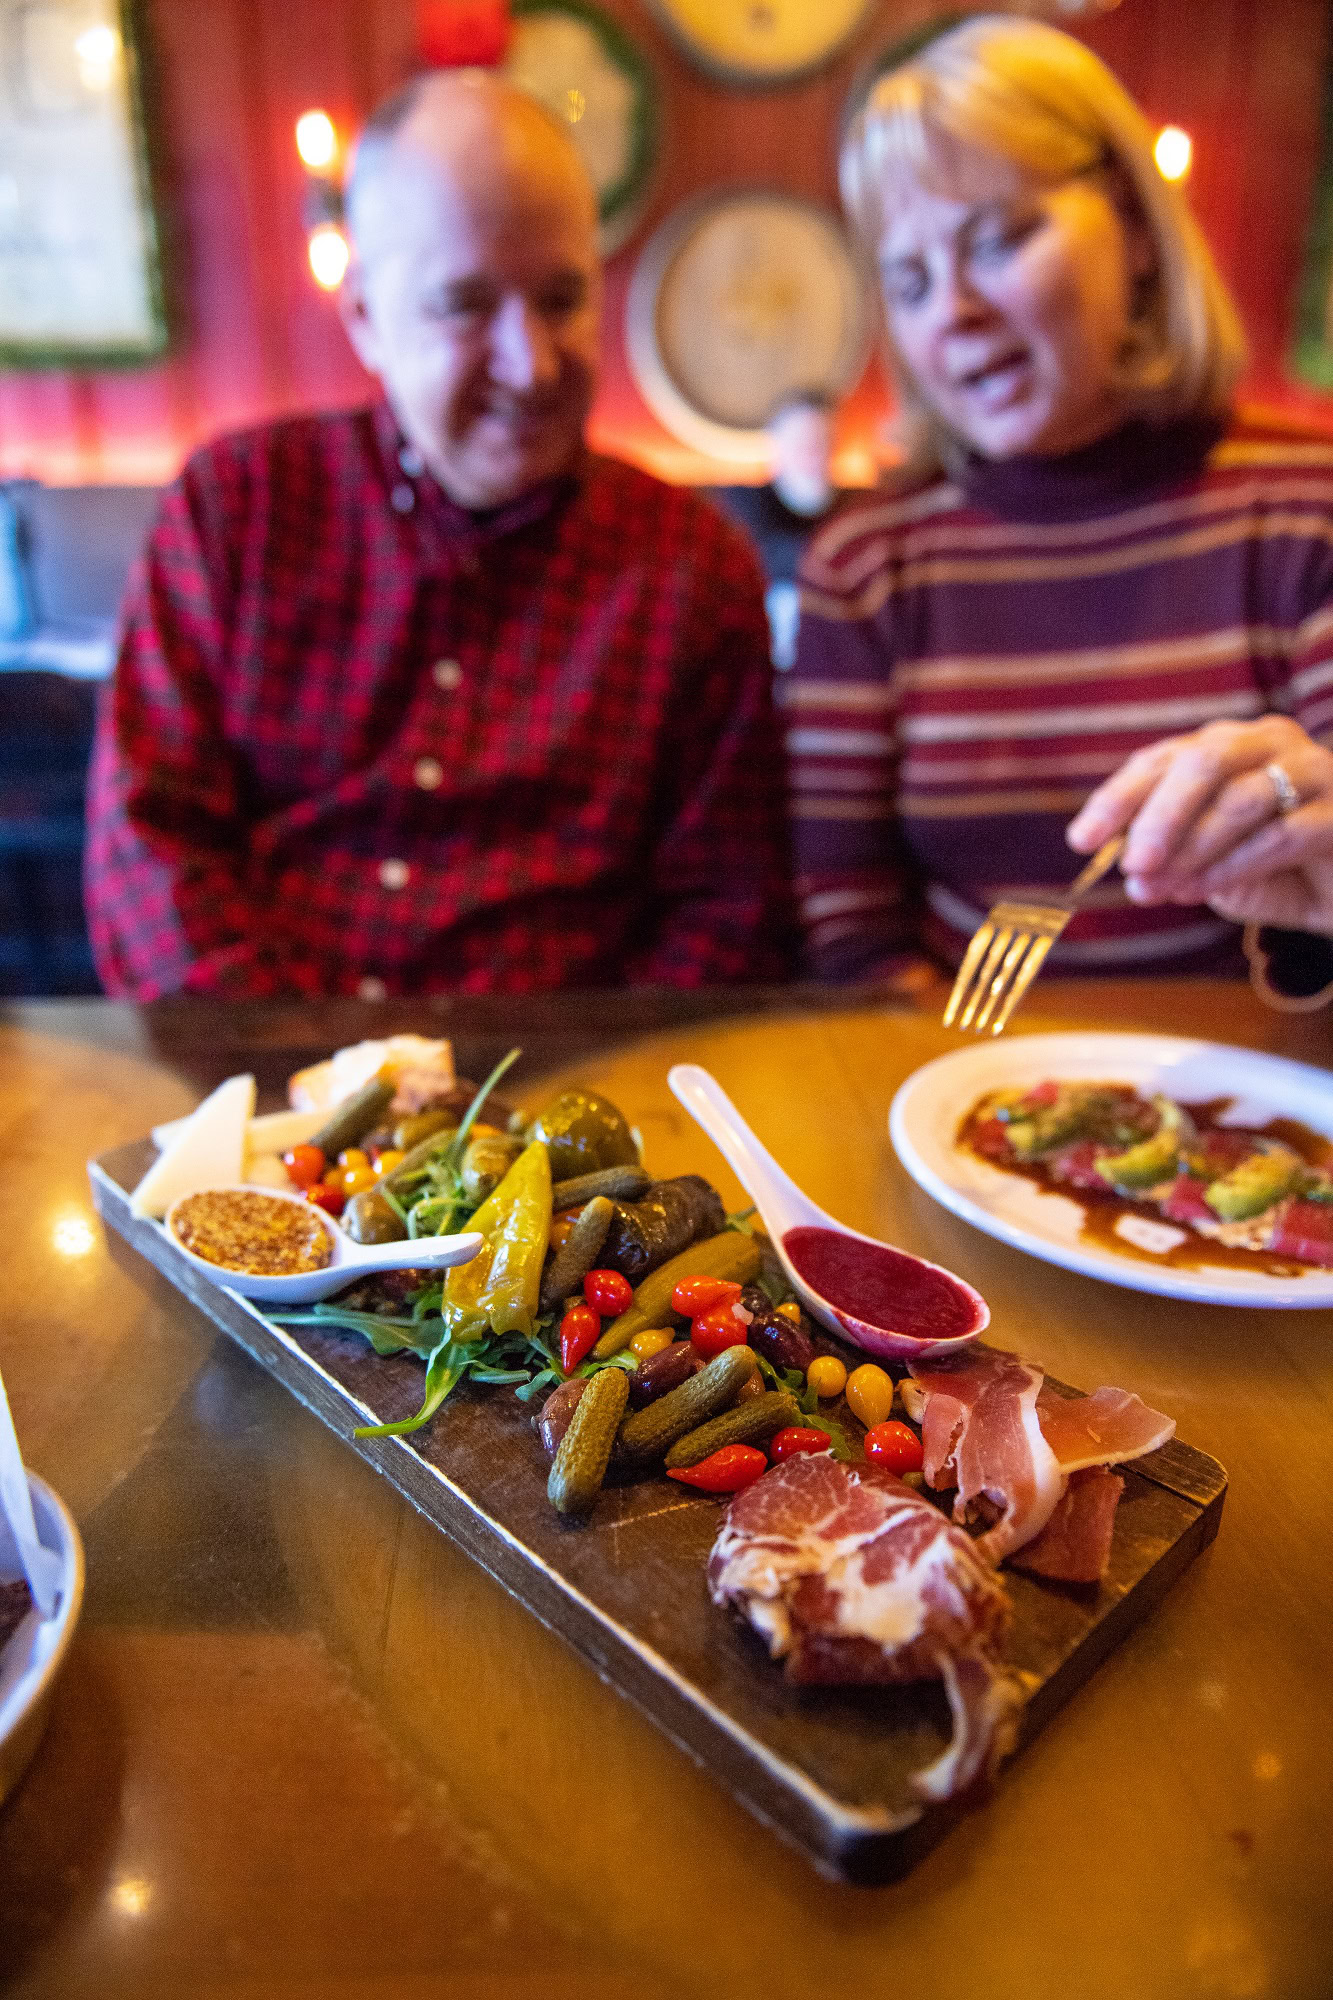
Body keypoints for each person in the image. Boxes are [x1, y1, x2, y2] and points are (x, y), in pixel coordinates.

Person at [86, 71, 791, 1000]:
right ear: (368, 322)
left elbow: (725, 912)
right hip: (268, 1099)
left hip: (565, 1109)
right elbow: (148, 850)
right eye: (464, 304)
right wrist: (302, 1084)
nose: (528, 362)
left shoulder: (692, 567)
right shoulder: (235, 508)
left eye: (559, 298)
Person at [788, 14, 1333, 1009]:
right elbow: (846, 920)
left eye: (996, 240)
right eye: (908, 280)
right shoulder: (867, 563)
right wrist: (957, 1090)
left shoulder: (1306, 508)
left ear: (1131, 227)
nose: (950, 310)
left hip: (1276, 1100)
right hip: (961, 1100)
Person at [713, 391, 848, 670]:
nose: (813, 454)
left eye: (821, 442)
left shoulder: (861, 510)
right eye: (802, 443)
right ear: (775, 449)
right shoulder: (739, 507)